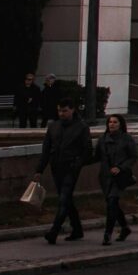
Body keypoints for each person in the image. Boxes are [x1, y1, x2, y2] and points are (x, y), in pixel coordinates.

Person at [34, 101, 96, 245]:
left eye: (65, 111)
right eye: (60, 111)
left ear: (72, 110)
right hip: (56, 166)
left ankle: (54, 231)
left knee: (63, 198)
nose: (62, 114)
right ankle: (77, 229)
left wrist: (77, 163)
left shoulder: (81, 127)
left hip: (71, 167)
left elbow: (87, 150)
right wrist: (39, 170)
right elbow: (46, 150)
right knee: (66, 199)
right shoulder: (54, 126)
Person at [97, 113, 138, 244]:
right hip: (105, 177)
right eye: (110, 122)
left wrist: (121, 167)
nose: (112, 124)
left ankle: (107, 233)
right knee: (113, 204)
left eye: (115, 122)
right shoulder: (103, 139)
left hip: (119, 177)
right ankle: (125, 227)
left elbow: (134, 156)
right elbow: (97, 156)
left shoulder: (126, 139)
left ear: (120, 124)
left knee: (112, 202)